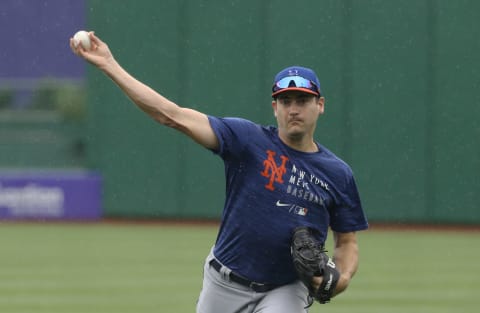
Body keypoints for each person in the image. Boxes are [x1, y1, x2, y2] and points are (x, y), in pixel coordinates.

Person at [70, 31, 368, 313]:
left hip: (287, 288)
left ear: (320, 105)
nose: (293, 109)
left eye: (302, 101)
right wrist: (110, 64)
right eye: (285, 101)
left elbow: (347, 242)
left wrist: (339, 279)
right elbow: (171, 115)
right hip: (223, 283)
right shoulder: (247, 141)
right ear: (274, 107)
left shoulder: (337, 173)